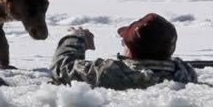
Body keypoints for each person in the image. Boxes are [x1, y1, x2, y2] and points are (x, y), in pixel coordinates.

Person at [50, 13, 198, 90]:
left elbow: (61, 69)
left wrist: (76, 39)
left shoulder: (109, 72)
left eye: (124, 42)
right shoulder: (185, 74)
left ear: (131, 51)